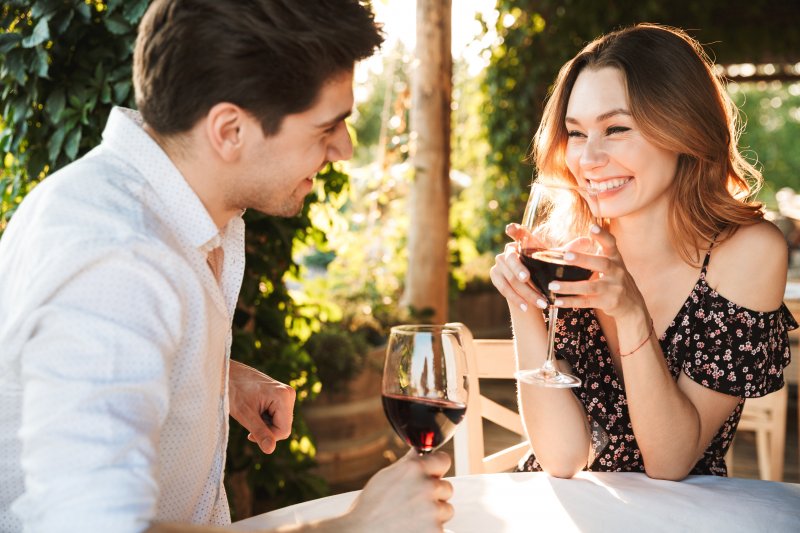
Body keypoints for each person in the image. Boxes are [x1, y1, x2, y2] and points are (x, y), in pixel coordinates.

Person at [0, 1, 453, 531]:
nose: (345, 149)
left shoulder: (179, 214)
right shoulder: (119, 257)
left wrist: (208, 376)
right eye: (327, 126)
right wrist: (353, 528)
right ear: (230, 130)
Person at [490, 23, 795, 480]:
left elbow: (670, 463)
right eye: (575, 133)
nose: (589, 160)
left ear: (683, 129)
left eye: (616, 128)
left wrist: (631, 313)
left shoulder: (748, 253)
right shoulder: (562, 247)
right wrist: (524, 302)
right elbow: (561, 457)